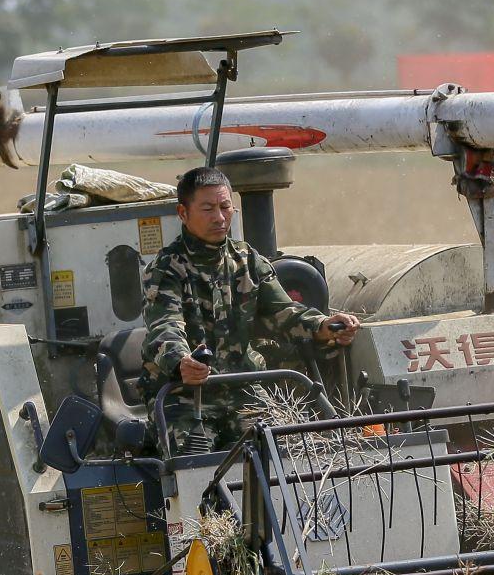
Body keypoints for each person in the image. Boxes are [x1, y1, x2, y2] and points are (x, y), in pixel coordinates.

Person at [142, 165, 359, 453]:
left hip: (243, 389)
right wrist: (181, 361)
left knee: (279, 457)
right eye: (207, 208)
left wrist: (324, 326)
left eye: (225, 207)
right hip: (183, 395)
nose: (219, 217)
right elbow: (165, 326)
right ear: (183, 213)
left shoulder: (247, 261)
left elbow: (284, 312)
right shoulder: (166, 268)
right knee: (192, 461)